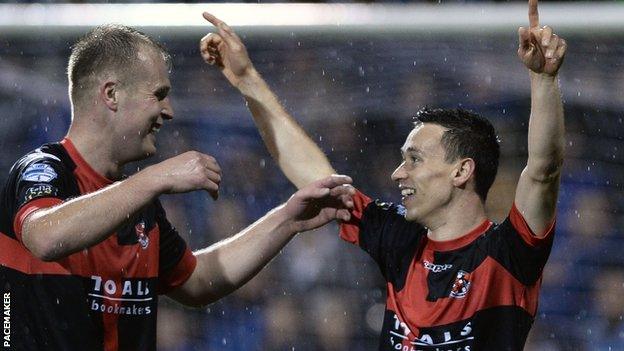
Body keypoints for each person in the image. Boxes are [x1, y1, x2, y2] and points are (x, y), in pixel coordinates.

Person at [201, 0, 566, 348]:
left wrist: (543, 80)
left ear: (461, 171)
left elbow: (543, 171)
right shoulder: (399, 237)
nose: (397, 174)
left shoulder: (508, 254)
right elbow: (317, 177)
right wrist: (247, 79)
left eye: (414, 160)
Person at [0, 22, 355, 351]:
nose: (169, 110)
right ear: (111, 94)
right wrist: (157, 176)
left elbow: (198, 281)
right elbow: (46, 236)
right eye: (159, 94)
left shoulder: (138, 203)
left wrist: (288, 219)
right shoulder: (43, 169)